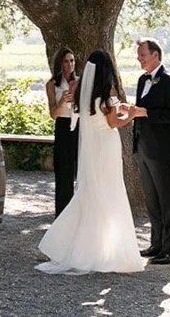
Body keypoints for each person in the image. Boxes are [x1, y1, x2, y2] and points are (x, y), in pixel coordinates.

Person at [36, 49, 143, 275]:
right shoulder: (107, 91)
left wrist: (119, 110)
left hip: (93, 150)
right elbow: (114, 122)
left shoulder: (83, 94)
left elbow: (97, 116)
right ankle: (108, 249)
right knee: (110, 193)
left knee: (93, 193)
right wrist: (131, 114)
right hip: (108, 147)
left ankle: (80, 245)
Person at [120, 38, 170, 265]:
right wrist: (131, 113)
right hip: (144, 147)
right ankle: (156, 244)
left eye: (143, 56)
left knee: (167, 199)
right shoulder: (142, 80)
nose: (139, 59)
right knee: (151, 199)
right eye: (139, 56)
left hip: (162, 149)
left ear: (156, 55)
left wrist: (144, 112)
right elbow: (141, 112)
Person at [45, 48, 79, 216]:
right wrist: (61, 102)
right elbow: (53, 114)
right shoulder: (52, 85)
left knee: (81, 170)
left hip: (79, 125)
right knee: (63, 173)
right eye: (66, 61)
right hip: (63, 126)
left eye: (72, 61)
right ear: (60, 63)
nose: (69, 65)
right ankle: (62, 215)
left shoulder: (79, 82)